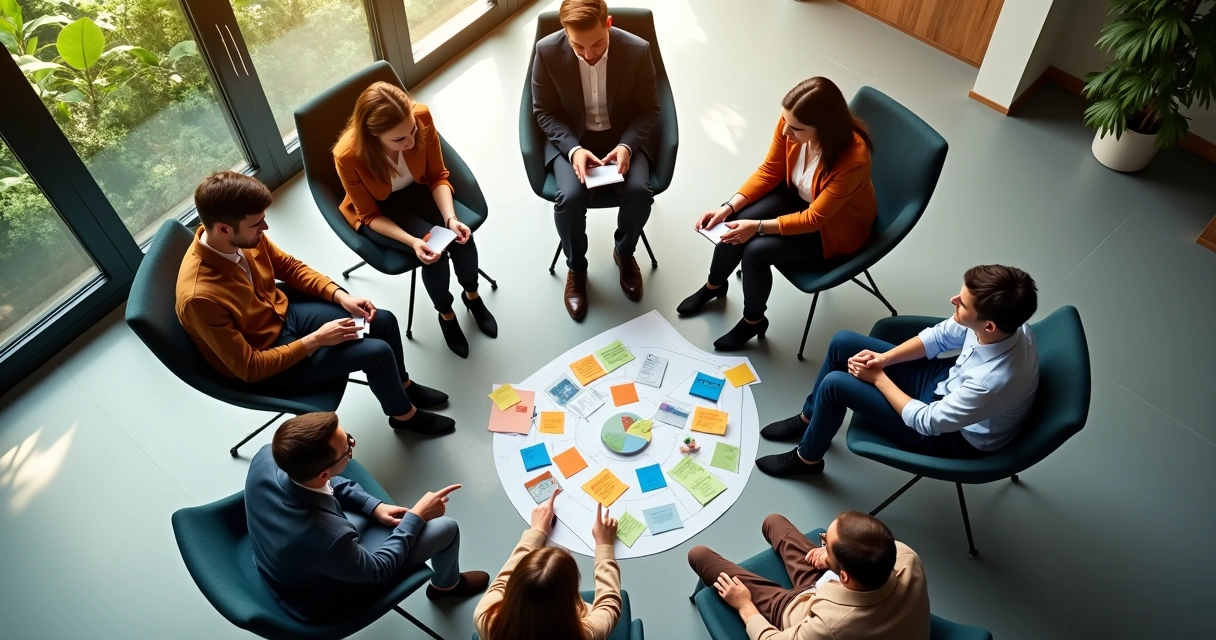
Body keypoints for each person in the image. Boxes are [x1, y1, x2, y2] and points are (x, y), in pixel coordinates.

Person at [175, 171, 453, 435]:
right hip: (268, 361)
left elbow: (289, 267)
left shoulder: (242, 237)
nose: (265, 227)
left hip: (284, 317)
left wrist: (341, 295)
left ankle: (403, 386)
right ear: (224, 229)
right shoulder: (199, 297)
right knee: (377, 353)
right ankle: (404, 416)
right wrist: (318, 340)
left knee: (383, 320)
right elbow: (249, 368)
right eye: (256, 223)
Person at [756, 265, 1039, 477]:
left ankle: (807, 460)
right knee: (843, 342)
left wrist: (878, 378)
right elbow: (939, 337)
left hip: (950, 434)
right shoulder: (1008, 322)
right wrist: (885, 359)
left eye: (962, 303)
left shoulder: (991, 383)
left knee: (834, 386)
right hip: (946, 381)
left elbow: (928, 421)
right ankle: (810, 416)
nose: (953, 300)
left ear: (988, 325)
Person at [678, 77, 877, 351]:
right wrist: (729, 207)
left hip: (833, 227)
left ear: (825, 128)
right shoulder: (790, 124)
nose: (786, 132)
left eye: (796, 128)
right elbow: (770, 170)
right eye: (786, 121)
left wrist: (757, 226)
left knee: (755, 252)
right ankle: (714, 286)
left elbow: (814, 220)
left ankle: (753, 321)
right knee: (733, 226)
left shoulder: (853, 159)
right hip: (797, 195)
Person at [244, 412, 489, 621]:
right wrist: (418, 516)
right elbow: (378, 570)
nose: (352, 444)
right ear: (322, 473)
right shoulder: (328, 536)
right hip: (317, 595)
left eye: (347, 435)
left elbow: (328, 485)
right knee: (446, 529)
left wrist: (373, 506)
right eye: (347, 449)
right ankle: (447, 587)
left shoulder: (267, 456)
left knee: (362, 517)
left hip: (282, 555)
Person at [333, 81, 496, 358]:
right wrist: (413, 242)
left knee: (460, 237)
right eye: (399, 139)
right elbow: (369, 214)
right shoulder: (348, 156)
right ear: (373, 136)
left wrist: (451, 218)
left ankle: (472, 296)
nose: (410, 142)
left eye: (411, 132)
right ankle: (446, 313)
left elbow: (437, 176)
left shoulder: (420, 116)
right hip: (382, 208)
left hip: (419, 188)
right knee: (434, 251)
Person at [532, 0, 660, 320]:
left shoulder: (637, 50)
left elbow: (649, 110)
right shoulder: (546, 51)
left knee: (639, 193)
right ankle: (576, 269)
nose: (589, 55)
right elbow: (543, 111)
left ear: (609, 24)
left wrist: (628, 147)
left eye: (597, 44)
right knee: (570, 198)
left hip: (622, 138)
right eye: (578, 45)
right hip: (572, 141)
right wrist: (574, 150)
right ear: (564, 32)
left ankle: (625, 252)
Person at [688, 511, 929, 640]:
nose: (821, 542)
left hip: (797, 611)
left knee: (698, 555)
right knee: (773, 522)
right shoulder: (906, 557)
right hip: (833, 586)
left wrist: (744, 606)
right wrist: (829, 557)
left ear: (844, 576)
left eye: (826, 542)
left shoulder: (830, 628)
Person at [474, 492, 622, 640]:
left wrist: (536, 531)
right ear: (570, 597)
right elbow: (608, 605)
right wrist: (604, 546)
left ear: (513, 586)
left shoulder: (485, 618)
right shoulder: (584, 635)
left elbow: (501, 582)